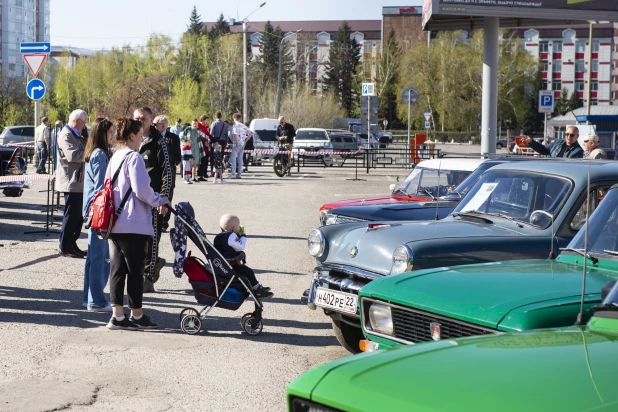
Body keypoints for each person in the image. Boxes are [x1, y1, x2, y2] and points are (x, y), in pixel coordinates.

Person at [106, 118, 170, 330]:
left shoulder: (115, 156)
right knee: (135, 270)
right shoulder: (134, 158)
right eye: (141, 134)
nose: (143, 138)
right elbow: (141, 189)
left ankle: (117, 315)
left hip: (114, 222)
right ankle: (137, 314)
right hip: (132, 222)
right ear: (132, 136)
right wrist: (160, 200)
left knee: (117, 270)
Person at [134, 107, 172, 292]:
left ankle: (148, 278)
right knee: (137, 239)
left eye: (143, 118)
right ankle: (151, 265)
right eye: (136, 118)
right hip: (134, 199)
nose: (140, 121)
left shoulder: (159, 141)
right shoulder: (131, 137)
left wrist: (164, 199)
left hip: (154, 198)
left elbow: (167, 172)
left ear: (151, 120)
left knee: (152, 237)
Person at [82, 118, 115, 312]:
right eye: (110, 133)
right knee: (99, 258)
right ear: (101, 133)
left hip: (92, 211)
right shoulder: (100, 155)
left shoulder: (94, 153)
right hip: (98, 213)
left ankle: (89, 298)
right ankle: (96, 300)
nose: (112, 136)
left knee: (93, 257)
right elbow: (101, 188)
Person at [213, 214, 273, 299]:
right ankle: (257, 290)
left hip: (222, 265)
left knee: (246, 272)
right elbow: (240, 246)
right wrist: (243, 236)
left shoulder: (218, 237)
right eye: (238, 226)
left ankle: (256, 286)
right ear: (234, 228)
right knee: (248, 272)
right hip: (230, 265)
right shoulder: (231, 236)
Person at [57, 109, 88, 259]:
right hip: (71, 181)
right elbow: (73, 155)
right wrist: (91, 153)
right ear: (76, 121)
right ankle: (65, 246)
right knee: (71, 215)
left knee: (78, 217)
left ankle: (72, 244)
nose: (84, 126)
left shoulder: (76, 134)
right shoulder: (66, 134)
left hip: (79, 181)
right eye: (84, 122)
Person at [154, 115, 181, 232]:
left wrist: (167, 158)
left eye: (155, 125)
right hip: (155, 174)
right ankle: (155, 220)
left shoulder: (173, 138)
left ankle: (164, 222)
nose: (153, 127)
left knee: (167, 196)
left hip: (169, 172)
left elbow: (178, 158)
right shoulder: (152, 137)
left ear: (163, 126)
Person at [231, 113, 252, 179]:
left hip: (236, 144)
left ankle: (233, 173)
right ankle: (239, 174)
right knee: (240, 159)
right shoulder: (243, 126)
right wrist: (245, 140)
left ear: (234, 118)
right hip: (242, 144)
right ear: (240, 119)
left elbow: (235, 134)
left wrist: (237, 142)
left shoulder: (234, 126)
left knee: (233, 159)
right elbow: (251, 133)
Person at [197, 115, 212, 179]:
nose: (207, 121)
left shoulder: (205, 127)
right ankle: (200, 173)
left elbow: (208, 134)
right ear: (202, 120)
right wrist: (206, 136)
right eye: (206, 120)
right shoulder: (198, 125)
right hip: (200, 144)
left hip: (205, 144)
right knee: (201, 159)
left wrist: (213, 139)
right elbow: (199, 133)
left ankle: (204, 172)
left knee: (205, 159)